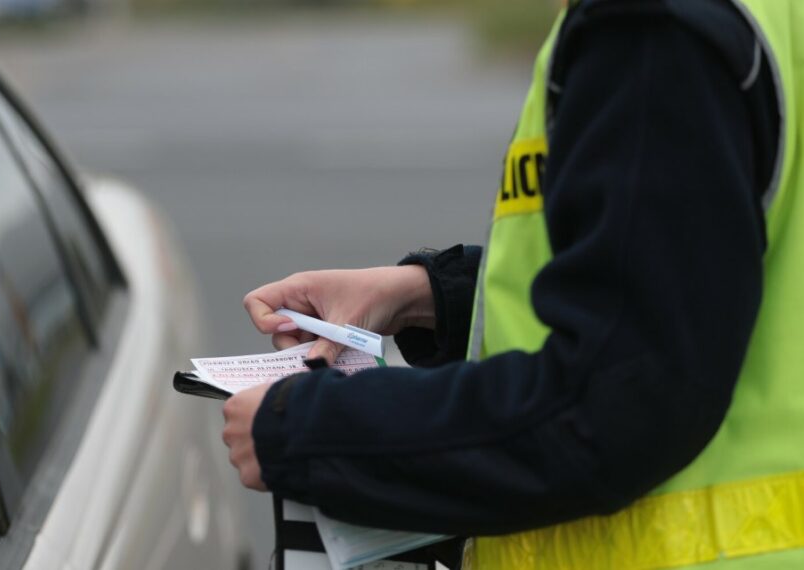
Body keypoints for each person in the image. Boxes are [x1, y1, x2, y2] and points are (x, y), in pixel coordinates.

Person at [220, 0, 804, 567]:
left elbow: (609, 408)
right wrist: (428, 296)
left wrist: (305, 431)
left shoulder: (649, 31)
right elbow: (692, 281)